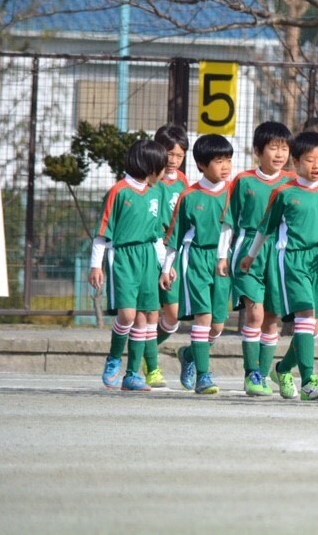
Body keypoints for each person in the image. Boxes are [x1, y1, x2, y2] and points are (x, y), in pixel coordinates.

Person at [240, 131, 318, 401]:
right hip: (291, 259)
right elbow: (265, 228)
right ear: (295, 162)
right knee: (304, 316)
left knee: (314, 325)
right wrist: (250, 255)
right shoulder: (284, 193)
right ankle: (308, 381)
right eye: (309, 160)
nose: (316, 165)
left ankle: (283, 369)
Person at [88, 139, 169, 392]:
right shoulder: (119, 191)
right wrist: (96, 265)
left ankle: (132, 374)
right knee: (128, 315)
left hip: (148, 257)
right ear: (148, 165)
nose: (165, 172)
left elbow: (157, 235)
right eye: (162, 166)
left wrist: (166, 265)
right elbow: (103, 232)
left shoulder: (157, 192)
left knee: (145, 317)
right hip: (123, 256)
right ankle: (114, 356)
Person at [224, 121, 294, 397]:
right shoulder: (244, 181)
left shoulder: (291, 182)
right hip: (248, 251)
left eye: (284, 148)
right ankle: (251, 372)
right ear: (257, 151)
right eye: (273, 148)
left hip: (278, 254)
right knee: (254, 313)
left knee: (272, 318)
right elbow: (228, 221)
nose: (279, 154)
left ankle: (263, 375)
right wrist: (222, 255)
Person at [164, 134, 234, 395]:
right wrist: (166, 267)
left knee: (217, 326)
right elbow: (176, 235)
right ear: (202, 165)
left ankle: (189, 354)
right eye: (219, 161)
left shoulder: (233, 193)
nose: (225, 166)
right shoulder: (189, 196)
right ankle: (204, 377)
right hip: (195, 259)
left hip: (223, 262)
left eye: (228, 160)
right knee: (202, 318)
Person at [149, 124, 188, 389]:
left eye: (179, 155)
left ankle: (142, 348)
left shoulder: (184, 182)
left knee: (172, 316)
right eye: (169, 154)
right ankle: (151, 367)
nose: (173, 161)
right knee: (149, 314)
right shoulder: (149, 180)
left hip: (170, 256)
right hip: (150, 253)